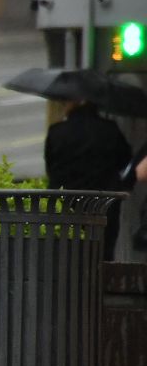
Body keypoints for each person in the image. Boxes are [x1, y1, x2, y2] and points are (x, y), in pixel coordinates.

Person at [46, 99, 132, 259]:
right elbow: (125, 159)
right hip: (104, 201)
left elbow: (51, 168)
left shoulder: (57, 131)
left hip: (66, 202)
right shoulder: (110, 129)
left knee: (68, 251)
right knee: (103, 251)